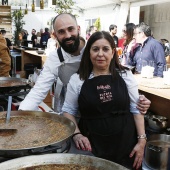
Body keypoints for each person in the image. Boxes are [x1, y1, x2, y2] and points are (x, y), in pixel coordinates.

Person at [19, 13, 150, 115]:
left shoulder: (95, 50)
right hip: (72, 111)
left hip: (102, 110)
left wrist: (138, 98)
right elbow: (39, 91)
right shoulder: (55, 58)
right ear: (54, 35)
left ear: (78, 29)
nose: (68, 35)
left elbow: (118, 76)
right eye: (61, 32)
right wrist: (20, 113)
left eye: (71, 29)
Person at [62, 31, 146, 169]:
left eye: (105, 49)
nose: (100, 54)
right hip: (92, 146)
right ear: (89, 52)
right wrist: (77, 134)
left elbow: (136, 108)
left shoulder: (125, 75)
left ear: (113, 52)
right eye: (95, 49)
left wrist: (142, 141)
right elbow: (67, 111)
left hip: (126, 145)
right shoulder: (77, 80)